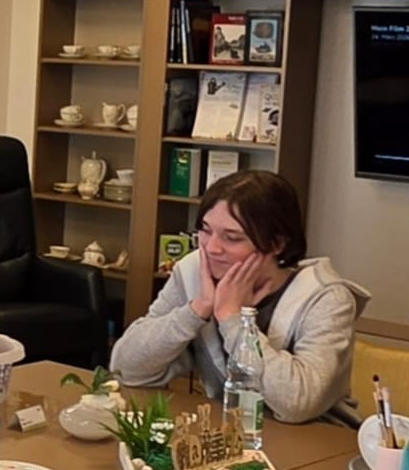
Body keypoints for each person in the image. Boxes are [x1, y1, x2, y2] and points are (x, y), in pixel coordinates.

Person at [108, 170, 368, 425]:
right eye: (205, 230)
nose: (211, 248)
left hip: (318, 440)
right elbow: (126, 369)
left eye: (231, 238)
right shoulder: (194, 273)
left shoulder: (326, 298)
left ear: (277, 244)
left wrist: (233, 320)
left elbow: (299, 403)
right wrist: (198, 309)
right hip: (235, 433)